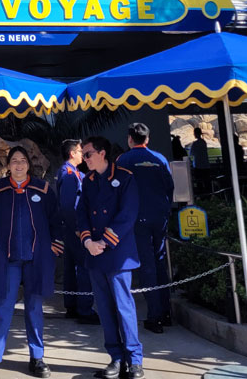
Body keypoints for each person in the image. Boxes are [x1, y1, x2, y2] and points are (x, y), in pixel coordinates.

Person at [0, 146, 63, 379]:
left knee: (34, 309)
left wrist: (53, 248)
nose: (18, 165)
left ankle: (37, 357)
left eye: (22, 160)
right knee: (2, 308)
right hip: (6, 260)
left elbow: (56, 220)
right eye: (14, 161)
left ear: (28, 164)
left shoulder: (43, 189)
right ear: (8, 165)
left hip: (36, 259)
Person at [76, 136, 144, 379]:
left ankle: (134, 360)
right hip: (95, 255)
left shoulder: (125, 178)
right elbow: (80, 213)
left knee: (124, 308)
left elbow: (128, 215)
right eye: (83, 155)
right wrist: (87, 242)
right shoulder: (88, 181)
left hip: (117, 254)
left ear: (102, 153)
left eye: (88, 154)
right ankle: (115, 358)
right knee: (104, 309)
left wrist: (104, 242)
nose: (84, 159)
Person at [117, 123, 175, 333]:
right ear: (147, 139)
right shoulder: (160, 159)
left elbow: (118, 191)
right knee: (159, 261)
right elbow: (170, 187)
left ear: (130, 139)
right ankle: (166, 311)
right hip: (160, 217)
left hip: (137, 218)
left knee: (147, 265)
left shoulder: (123, 160)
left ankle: (155, 316)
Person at [56, 138, 98, 323]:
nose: (83, 154)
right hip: (75, 229)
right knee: (83, 267)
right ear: (72, 153)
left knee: (71, 269)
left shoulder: (71, 173)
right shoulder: (70, 175)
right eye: (81, 151)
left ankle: (72, 305)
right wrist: (78, 229)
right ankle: (84, 309)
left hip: (69, 228)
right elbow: (67, 206)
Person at [189, 127, 210, 194]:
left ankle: (201, 196)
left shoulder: (195, 143)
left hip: (198, 166)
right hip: (206, 165)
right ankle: (208, 195)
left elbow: (191, 153)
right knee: (206, 182)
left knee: (199, 182)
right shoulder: (204, 142)